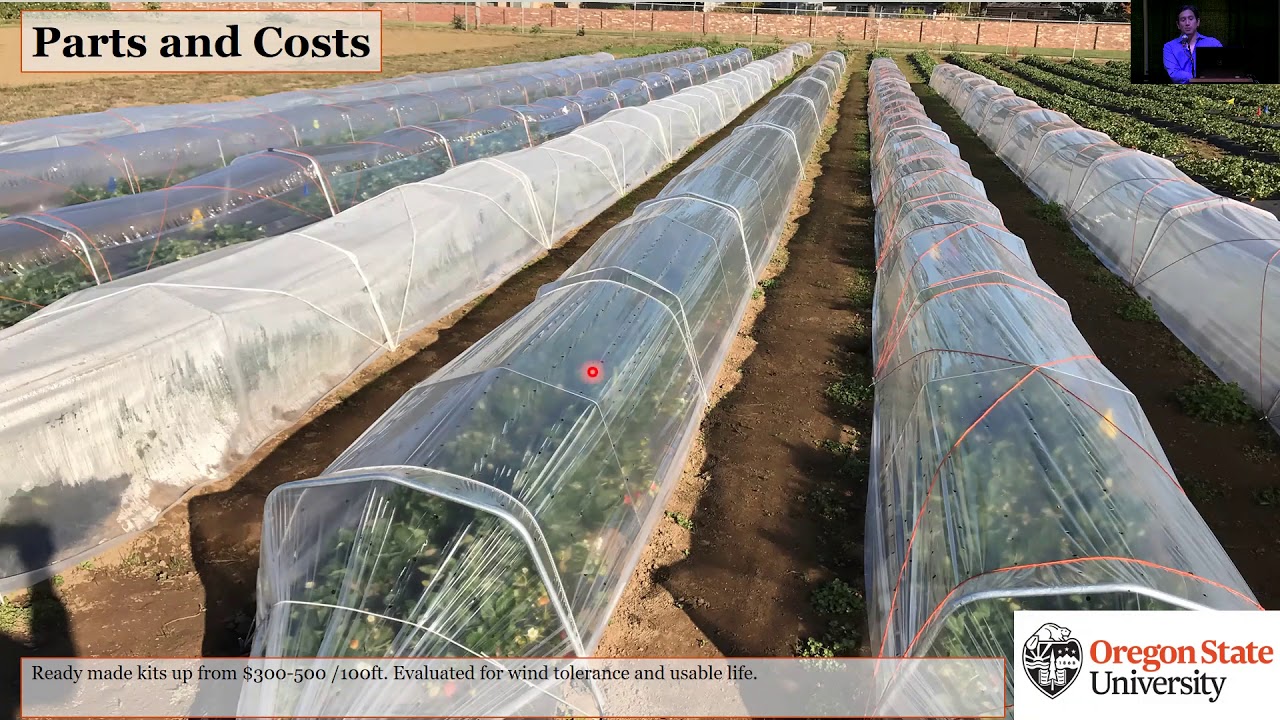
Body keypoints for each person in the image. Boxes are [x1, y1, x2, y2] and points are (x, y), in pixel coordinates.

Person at [1163, 5, 1223, 83]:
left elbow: (1222, 69)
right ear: (1178, 25)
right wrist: (1200, 77)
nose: (1187, 23)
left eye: (1191, 19)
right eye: (1183, 20)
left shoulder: (1213, 44)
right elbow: (1174, 74)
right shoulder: (1170, 47)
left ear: (1198, 22)